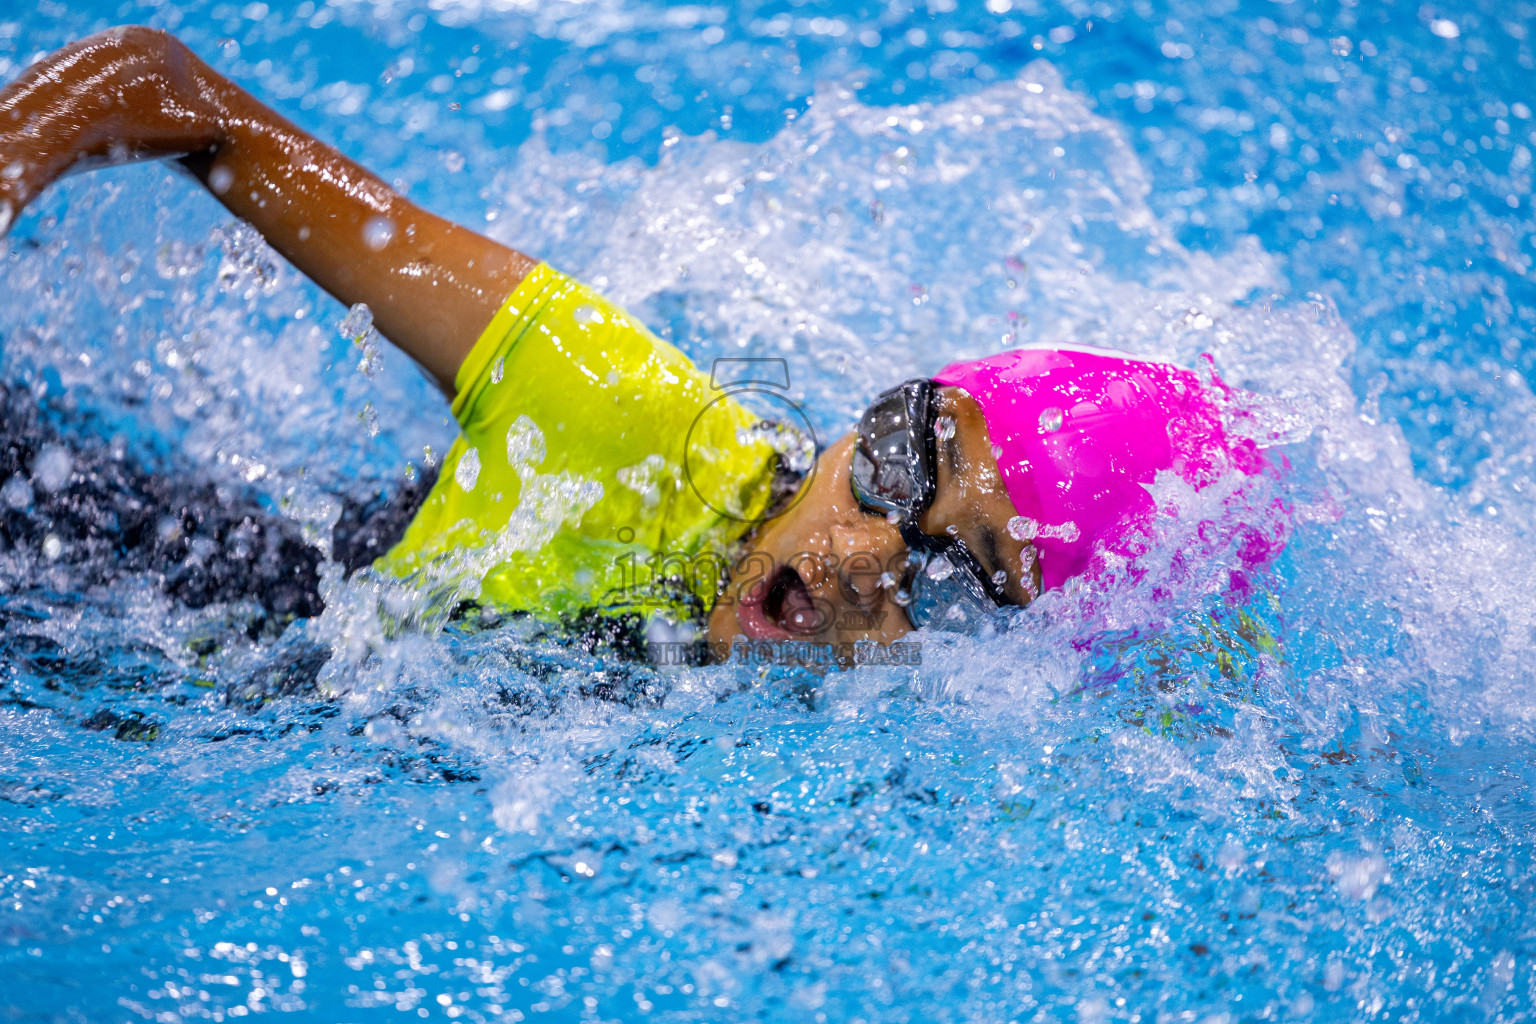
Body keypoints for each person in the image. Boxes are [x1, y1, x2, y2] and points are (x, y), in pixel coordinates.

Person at [0, 27, 1282, 664]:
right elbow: (164, 90)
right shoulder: (627, 421)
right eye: (899, 463)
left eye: (954, 572)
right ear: (866, 419)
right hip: (119, 603)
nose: (857, 549)